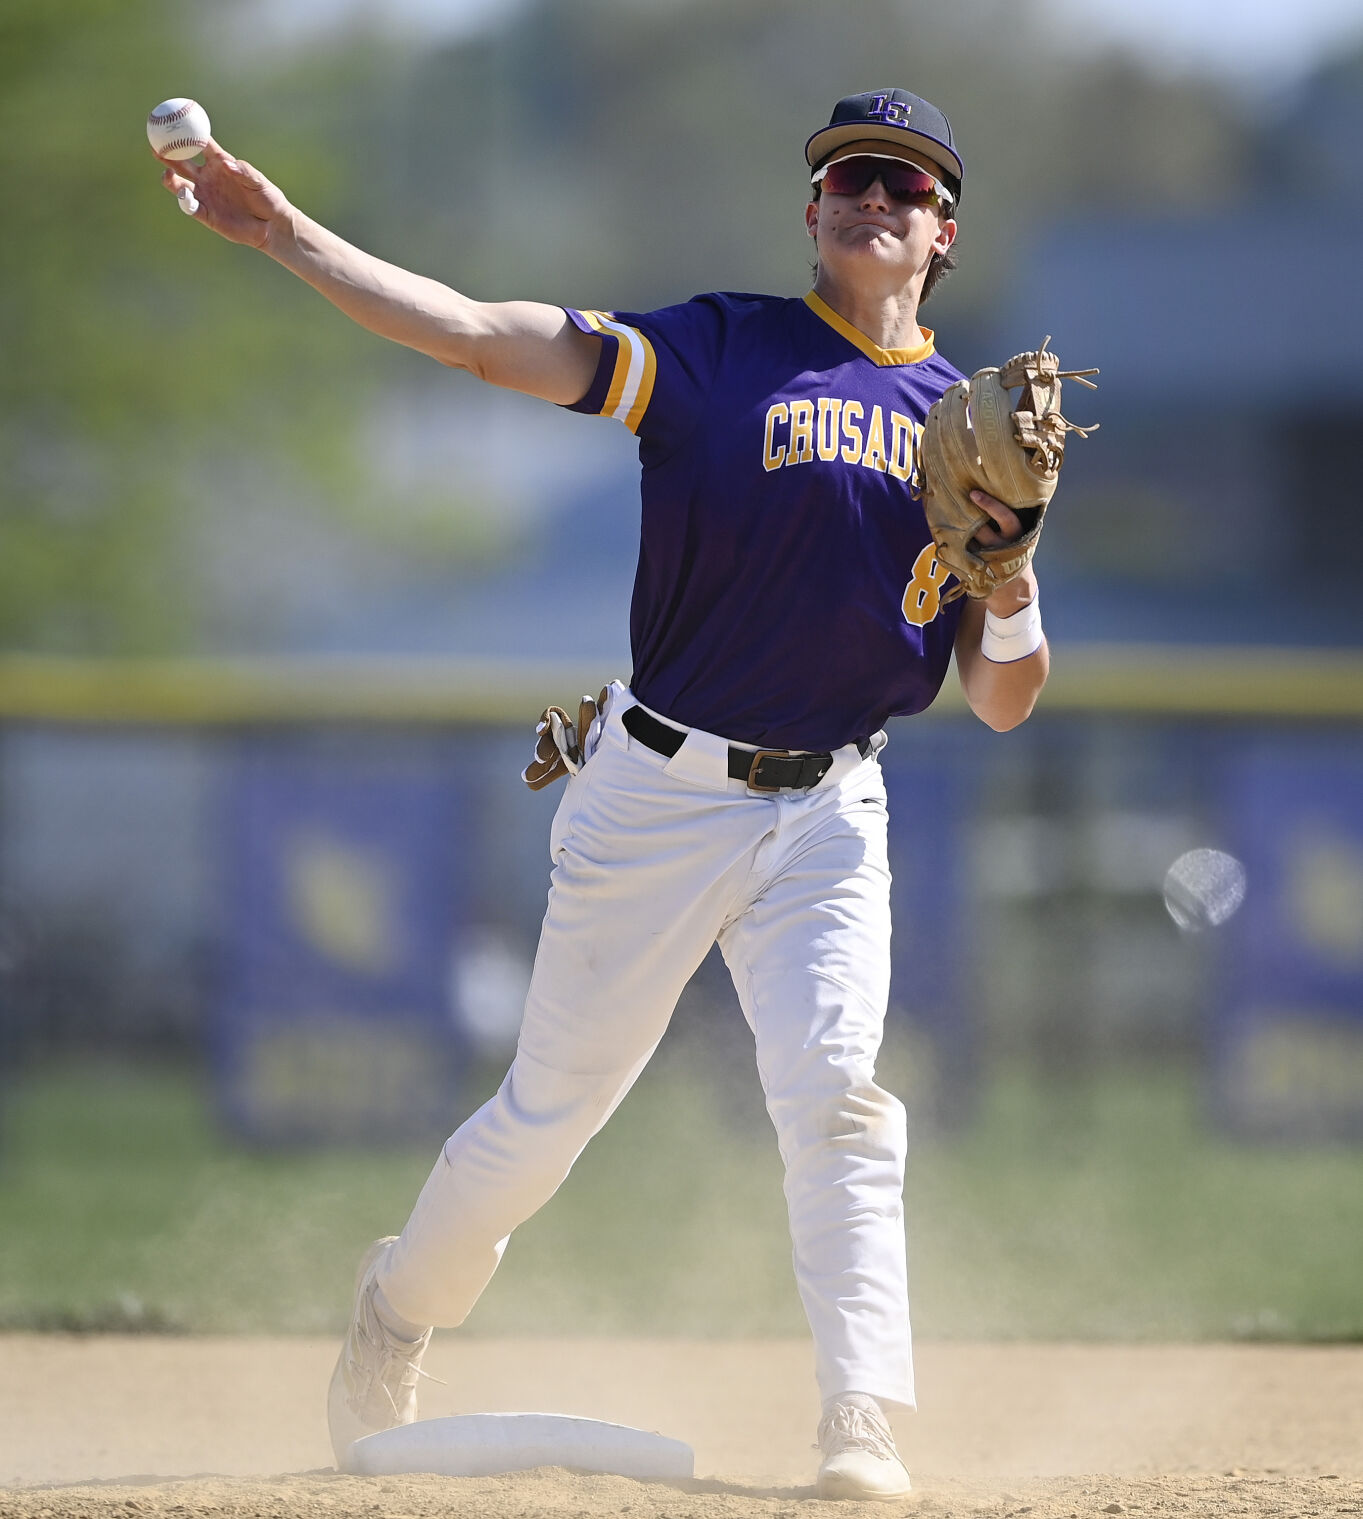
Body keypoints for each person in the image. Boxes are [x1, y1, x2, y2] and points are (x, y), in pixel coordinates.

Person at [157, 85, 1049, 1501]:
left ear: (945, 232)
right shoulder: (717, 350)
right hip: (658, 793)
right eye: (851, 179)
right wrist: (291, 240)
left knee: (839, 1100)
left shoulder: (972, 433)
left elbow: (1003, 696)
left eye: (907, 186)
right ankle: (396, 1308)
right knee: (543, 1122)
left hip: (831, 810)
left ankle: (860, 1419)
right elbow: (471, 334)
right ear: (813, 211)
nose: (876, 201)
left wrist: (1006, 572)